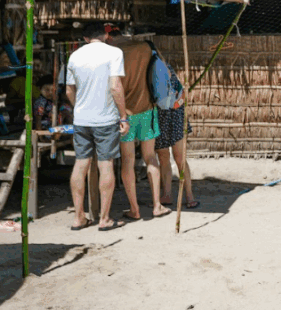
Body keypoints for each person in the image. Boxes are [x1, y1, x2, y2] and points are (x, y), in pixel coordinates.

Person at [65, 22, 129, 231]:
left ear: (84, 38)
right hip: (106, 119)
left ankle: (78, 218)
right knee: (105, 165)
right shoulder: (114, 53)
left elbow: (68, 90)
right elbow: (115, 86)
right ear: (105, 35)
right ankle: (104, 218)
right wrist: (123, 117)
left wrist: (79, 109)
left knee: (80, 165)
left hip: (81, 120)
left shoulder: (74, 56)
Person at [108, 29, 170, 219]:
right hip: (147, 110)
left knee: (127, 161)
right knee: (150, 157)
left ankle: (134, 209)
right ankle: (157, 205)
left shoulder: (113, 53)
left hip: (124, 114)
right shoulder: (145, 47)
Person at [155, 68, 198, 209]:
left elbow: (182, 93)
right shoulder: (151, 69)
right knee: (163, 157)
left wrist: (175, 105)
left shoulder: (164, 68)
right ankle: (167, 195)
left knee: (179, 157)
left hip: (174, 115)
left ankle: (189, 195)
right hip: (160, 116)